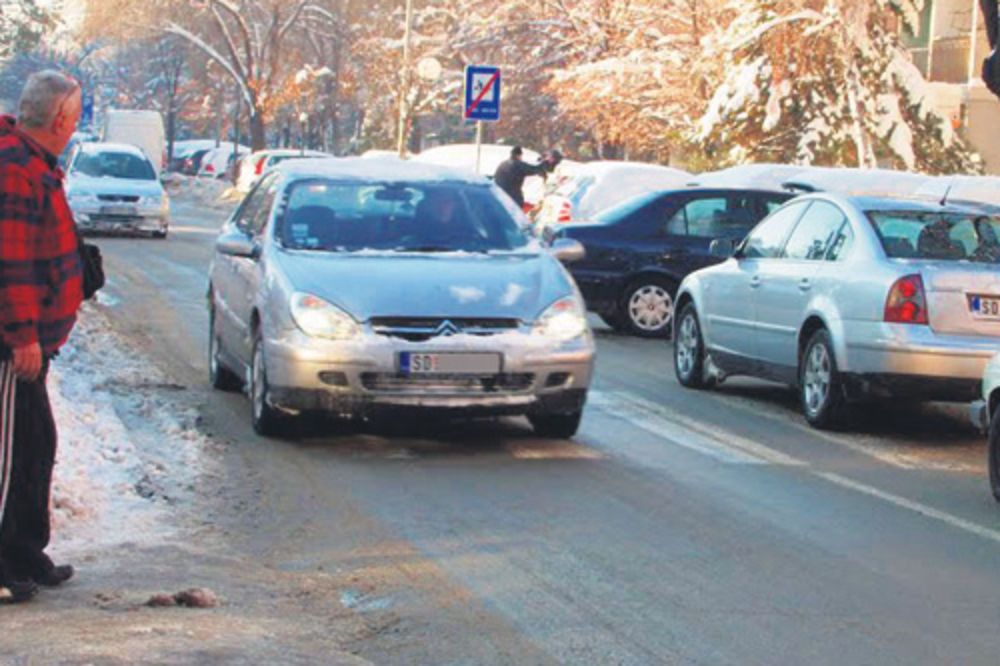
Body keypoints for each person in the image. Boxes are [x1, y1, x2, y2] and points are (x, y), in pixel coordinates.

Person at [0, 71, 85, 603]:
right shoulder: (15, 170)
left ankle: (26, 553)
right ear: (61, 119)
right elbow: (10, 262)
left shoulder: (33, 162)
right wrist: (23, 335)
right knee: (12, 456)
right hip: (14, 346)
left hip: (30, 342)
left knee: (38, 445)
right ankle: (7, 563)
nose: (76, 124)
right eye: (75, 114)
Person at [493, 145, 562, 209]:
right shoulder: (517, 164)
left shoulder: (503, 164)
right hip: (512, 198)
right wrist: (546, 162)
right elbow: (534, 168)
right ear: (519, 155)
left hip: (499, 197)